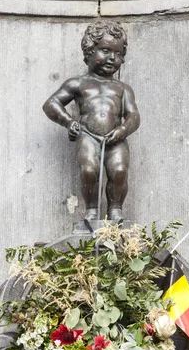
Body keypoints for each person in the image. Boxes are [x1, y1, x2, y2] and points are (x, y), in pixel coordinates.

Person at [42, 20, 140, 221]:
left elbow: (134, 116)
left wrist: (122, 130)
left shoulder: (122, 89)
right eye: (105, 50)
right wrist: (69, 121)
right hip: (88, 135)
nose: (112, 58)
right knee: (89, 170)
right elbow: (51, 104)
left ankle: (115, 210)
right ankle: (92, 210)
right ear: (89, 51)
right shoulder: (78, 83)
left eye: (119, 54)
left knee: (120, 171)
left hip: (116, 138)